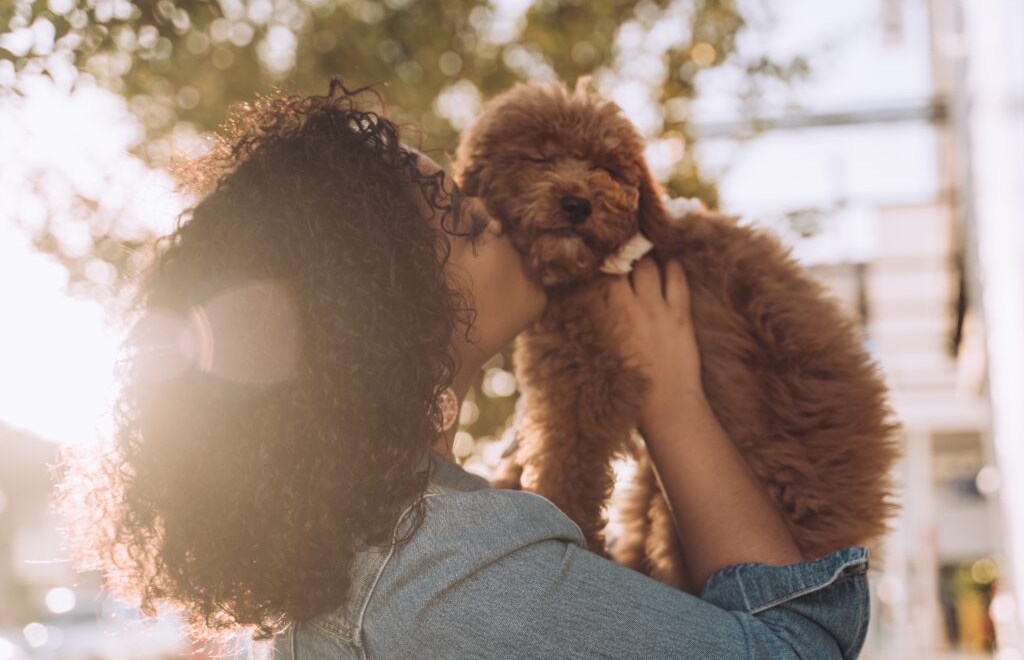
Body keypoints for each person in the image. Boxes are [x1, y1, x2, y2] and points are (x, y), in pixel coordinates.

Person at [57, 82, 870, 659]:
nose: (502, 215)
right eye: (467, 217)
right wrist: (671, 393)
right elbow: (796, 647)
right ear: (389, 310)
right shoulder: (442, 572)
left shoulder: (365, 543)